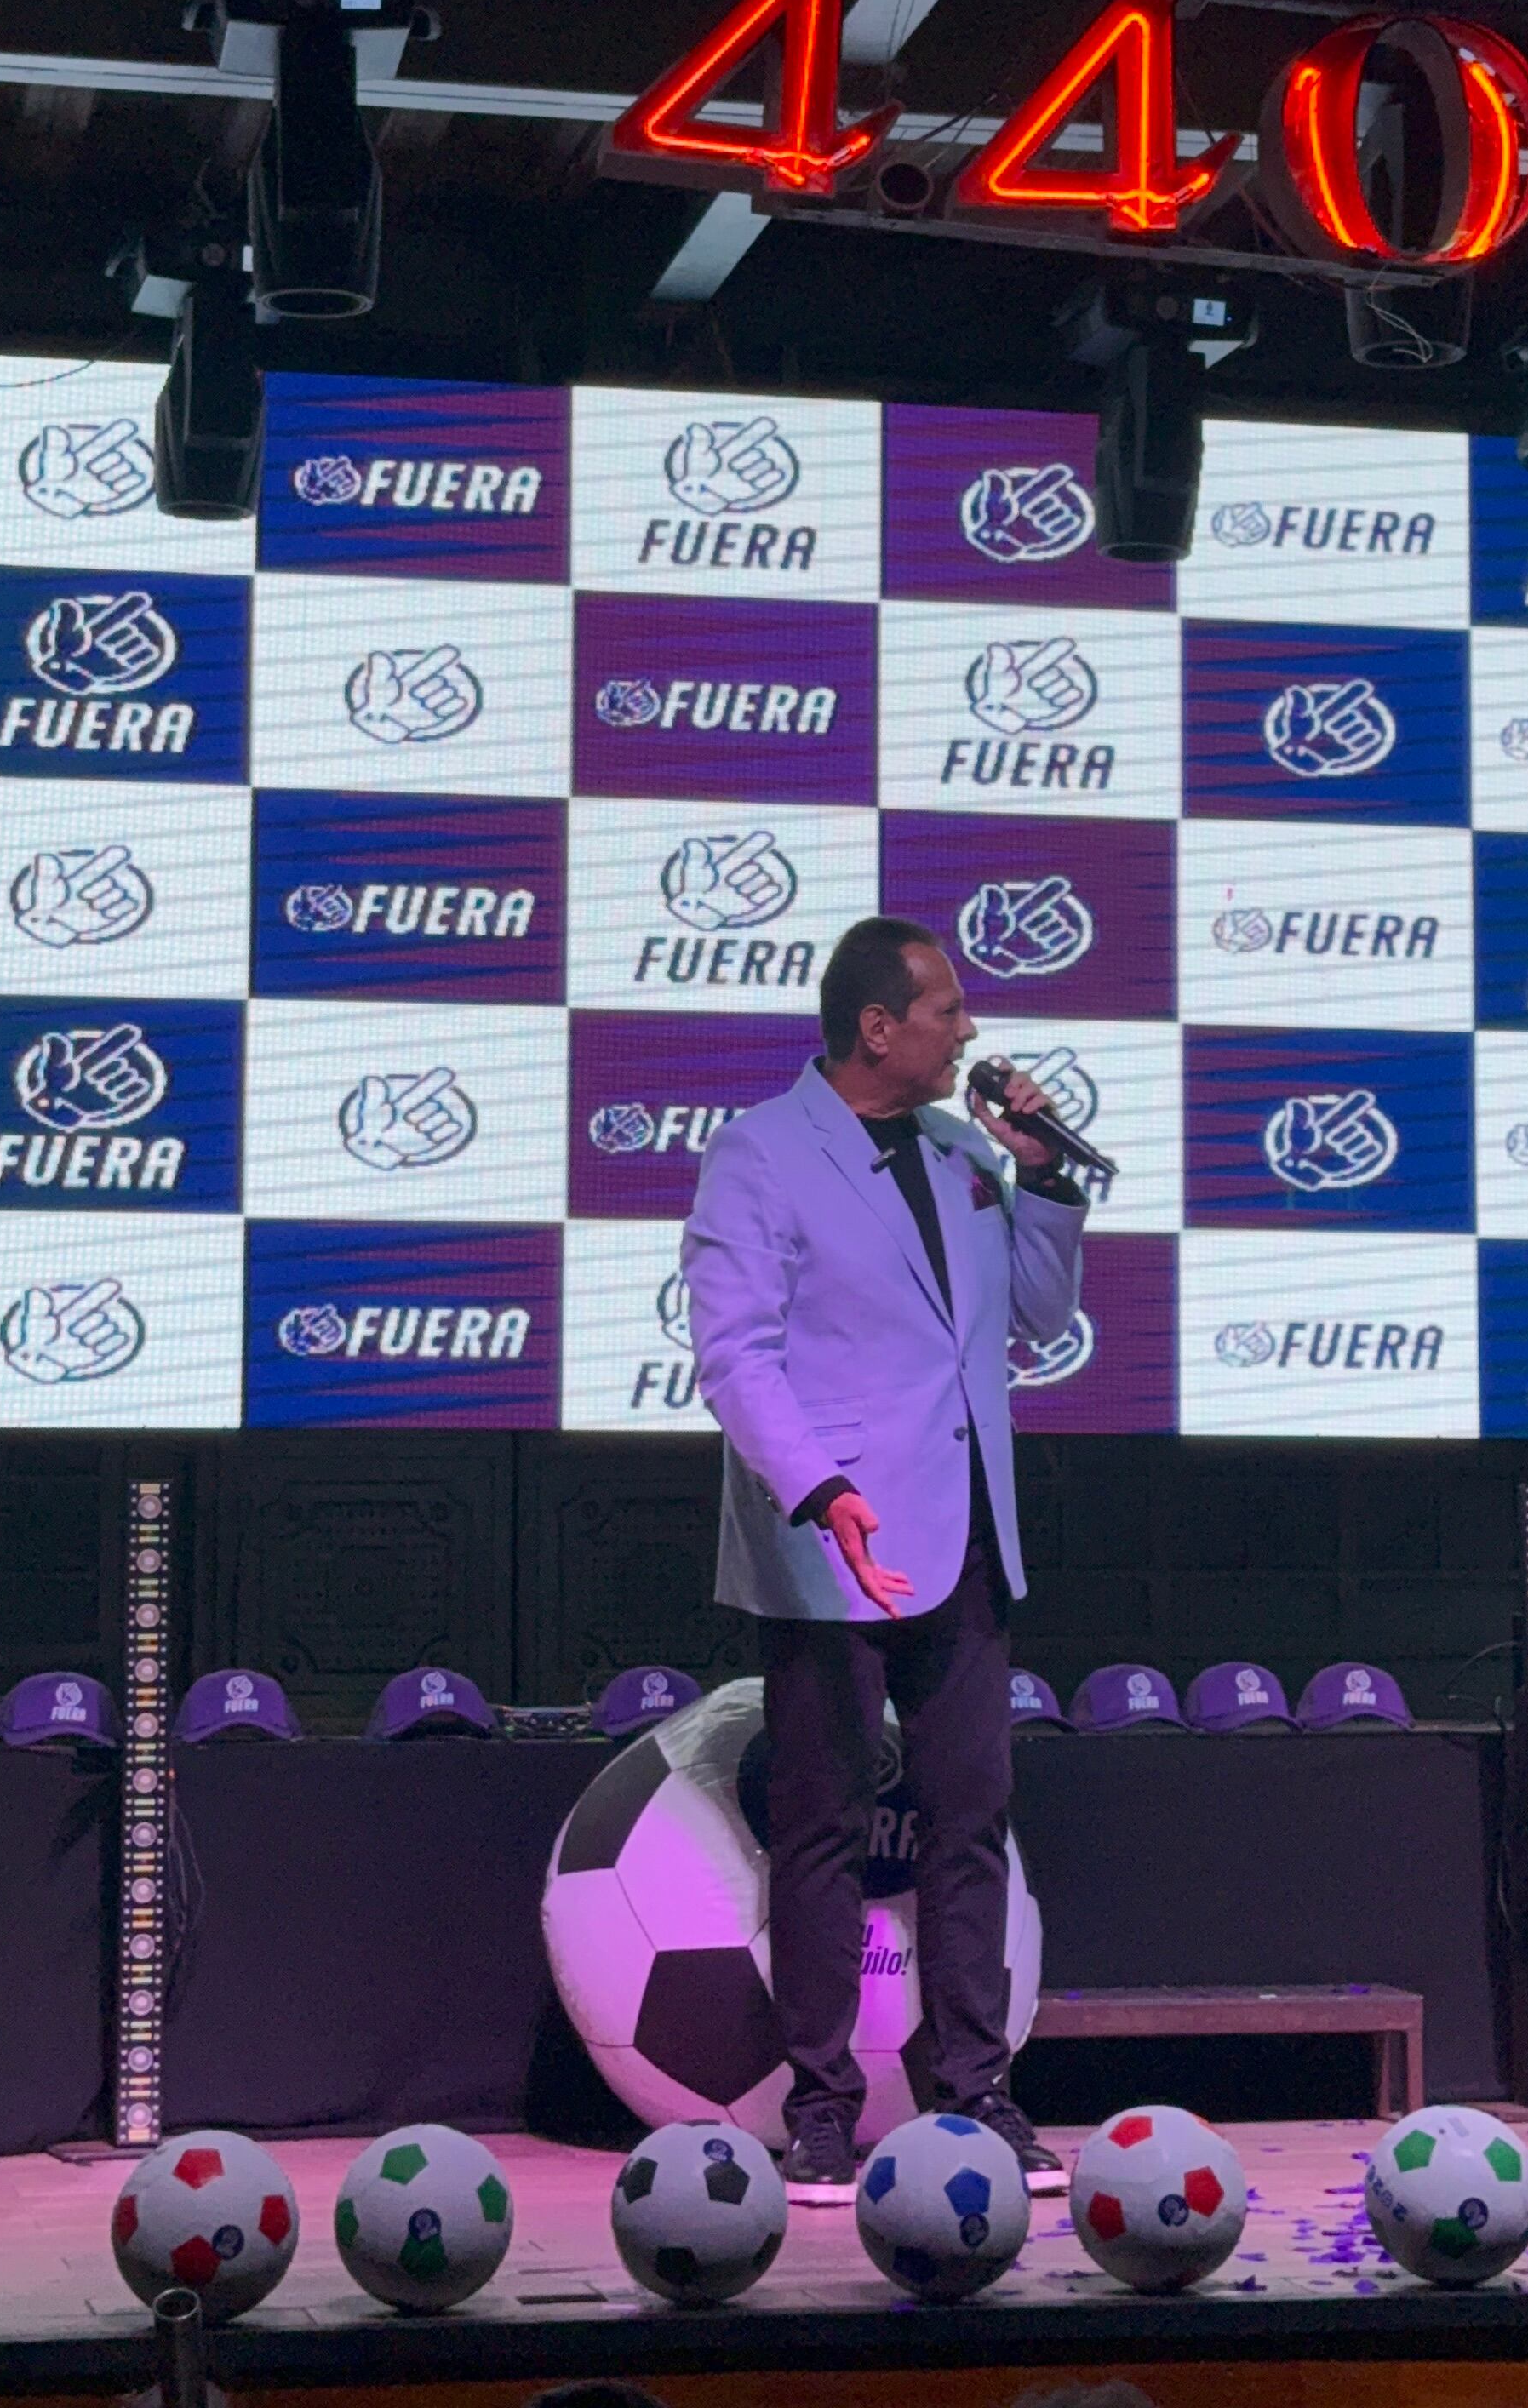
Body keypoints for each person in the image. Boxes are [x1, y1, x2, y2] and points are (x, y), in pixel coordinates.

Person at [681, 914, 1087, 2200]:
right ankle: (821, 2103)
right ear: (878, 1028)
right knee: (822, 1830)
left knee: (972, 1819)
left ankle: (974, 2089)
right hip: (832, 1545)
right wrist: (821, 1488)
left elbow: (1038, 1313)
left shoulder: (966, 1151)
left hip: (964, 1538)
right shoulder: (758, 1155)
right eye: (948, 1010)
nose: (969, 1032)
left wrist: (1050, 1183)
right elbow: (734, 1356)